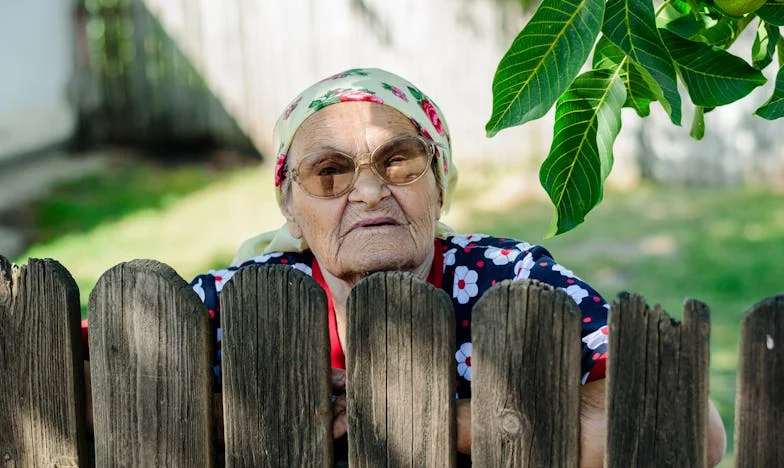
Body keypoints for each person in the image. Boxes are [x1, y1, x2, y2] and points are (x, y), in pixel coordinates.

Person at [190, 68, 726, 466]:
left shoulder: (510, 278)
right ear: (290, 208)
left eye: (399, 161)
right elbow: (106, 377)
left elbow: (690, 424)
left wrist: (441, 419)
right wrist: (248, 408)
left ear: (440, 184)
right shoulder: (236, 299)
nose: (371, 192)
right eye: (329, 173)